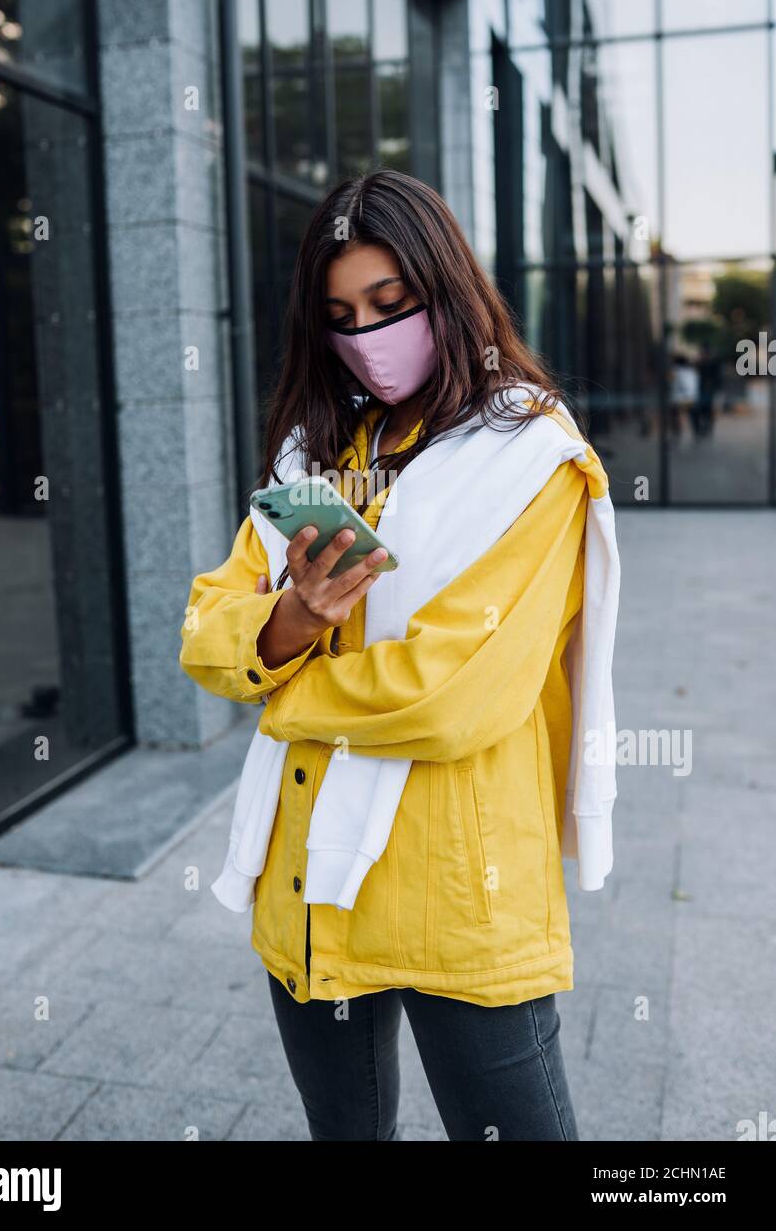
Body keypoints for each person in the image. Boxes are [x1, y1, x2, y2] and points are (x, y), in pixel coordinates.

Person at [179, 169, 619, 1142]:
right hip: (308, 887)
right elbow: (208, 634)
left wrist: (280, 690)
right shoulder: (313, 451)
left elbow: (449, 695)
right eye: (340, 314)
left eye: (390, 303)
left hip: (459, 893)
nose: (367, 335)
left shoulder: (528, 460)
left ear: (448, 290)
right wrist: (289, 622)